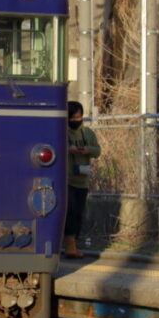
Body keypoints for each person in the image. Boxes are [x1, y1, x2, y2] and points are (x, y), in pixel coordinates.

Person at [63, 101, 101, 258]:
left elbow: (97, 151)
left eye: (79, 117)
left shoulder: (87, 133)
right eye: (73, 117)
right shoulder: (61, 132)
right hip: (66, 180)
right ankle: (69, 244)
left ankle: (73, 244)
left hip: (82, 179)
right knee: (70, 211)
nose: (76, 120)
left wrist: (85, 150)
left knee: (78, 212)